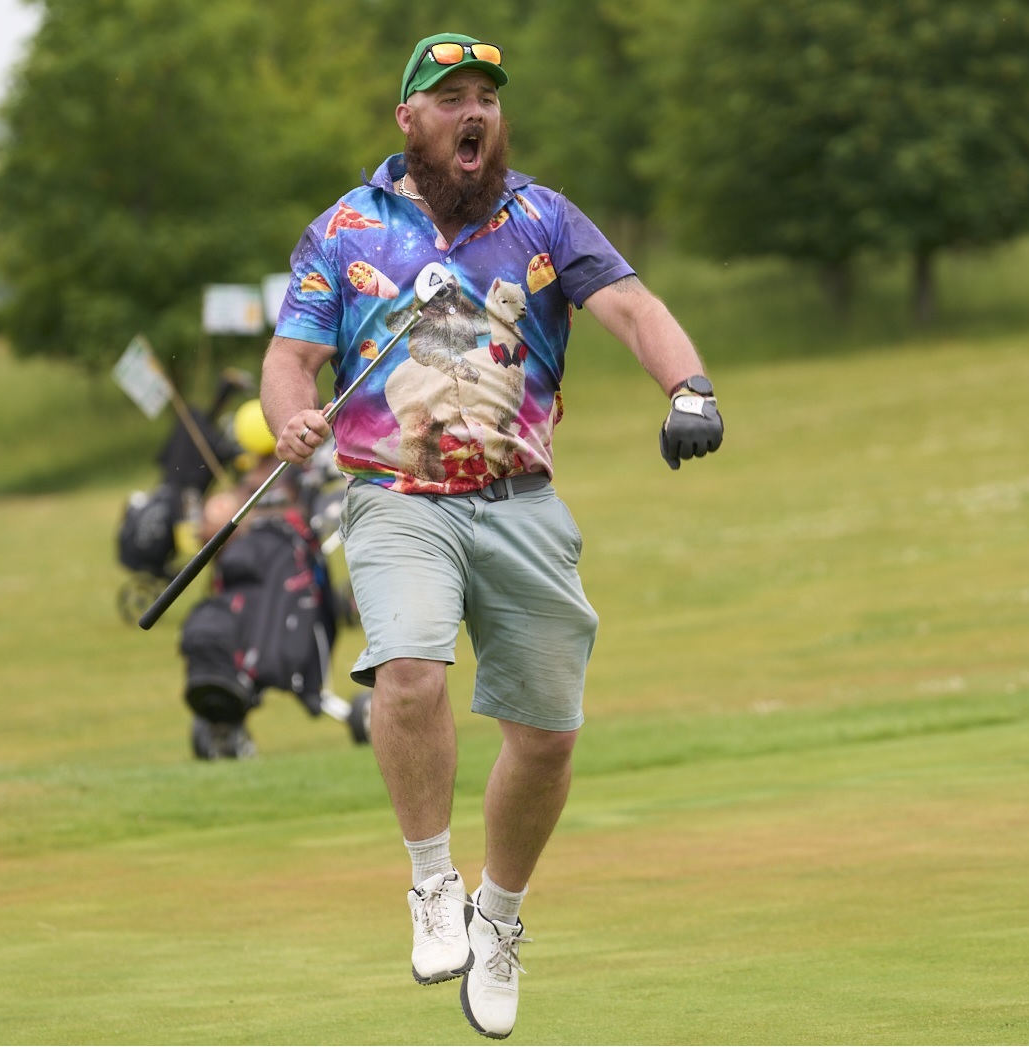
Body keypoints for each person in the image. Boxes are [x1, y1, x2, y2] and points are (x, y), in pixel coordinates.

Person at [260, 32, 724, 1040]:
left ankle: (499, 918)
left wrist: (688, 387)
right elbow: (290, 359)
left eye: (486, 97)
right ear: (410, 119)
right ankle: (432, 882)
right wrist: (290, 415)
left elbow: (632, 307)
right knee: (411, 672)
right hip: (395, 495)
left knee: (548, 739)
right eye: (450, 96)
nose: (474, 111)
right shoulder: (344, 230)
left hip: (519, 503)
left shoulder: (542, 218)